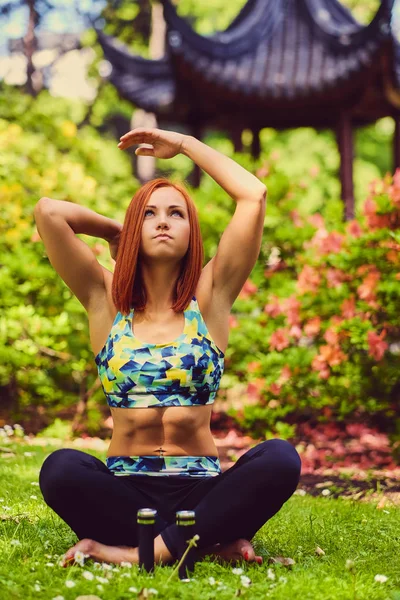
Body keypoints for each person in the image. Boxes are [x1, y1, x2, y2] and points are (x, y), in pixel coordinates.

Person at [36, 127, 301, 568]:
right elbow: (48, 213)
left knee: (279, 458)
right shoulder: (106, 301)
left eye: (176, 213)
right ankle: (202, 543)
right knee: (59, 468)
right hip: (125, 495)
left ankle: (142, 553)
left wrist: (182, 146)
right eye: (150, 214)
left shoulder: (211, 298)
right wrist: (116, 232)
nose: (162, 220)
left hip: (200, 493)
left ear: (191, 232)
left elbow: (253, 194)